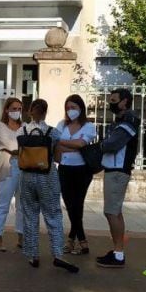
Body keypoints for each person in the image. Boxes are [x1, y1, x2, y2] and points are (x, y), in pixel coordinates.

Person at [16, 99, 79, 273]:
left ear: (30, 112)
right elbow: (58, 157)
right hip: (47, 177)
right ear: (45, 112)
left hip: (26, 177)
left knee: (29, 215)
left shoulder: (21, 131)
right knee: (53, 215)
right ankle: (58, 254)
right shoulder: (53, 133)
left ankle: (33, 255)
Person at [96, 88, 140, 269]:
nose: (110, 103)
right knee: (115, 212)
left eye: (114, 100)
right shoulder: (123, 121)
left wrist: (101, 145)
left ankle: (119, 254)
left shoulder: (128, 121)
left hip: (117, 170)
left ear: (125, 102)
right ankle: (117, 252)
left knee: (111, 212)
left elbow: (112, 144)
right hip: (115, 169)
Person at [56, 94, 97, 255]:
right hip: (65, 169)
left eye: (73, 107)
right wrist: (74, 147)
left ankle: (73, 240)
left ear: (81, 108)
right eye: (67, 108)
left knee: (77, 204)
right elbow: (56, 146)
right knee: (70, 205)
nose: (70, 111)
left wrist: (65, 144)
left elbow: (82, 143)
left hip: (82, 170)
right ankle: (81, 240)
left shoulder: (88, 126)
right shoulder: (61, 124)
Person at [0, 97, 25, 252]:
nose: (16, 112)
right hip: (8, 167)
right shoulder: (1, 126)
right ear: (6, 110)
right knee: (3, 204)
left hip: (24, 168)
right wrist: (23, 148)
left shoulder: (25, 126)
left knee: (22, 205)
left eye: (19, 109)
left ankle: (21, 236)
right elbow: (10, 145)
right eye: (13, 109)